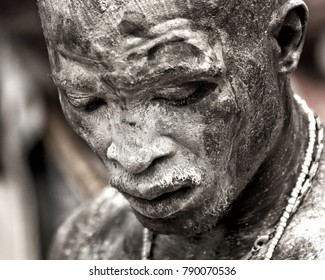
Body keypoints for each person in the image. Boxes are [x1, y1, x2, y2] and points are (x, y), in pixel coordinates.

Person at [38, 0, 325, 260]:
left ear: (284, 40)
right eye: (88, 102)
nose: (133, 157)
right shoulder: (85, 245)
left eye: (179, 93)